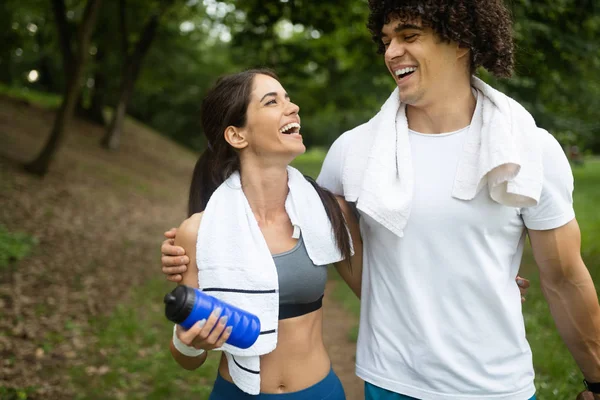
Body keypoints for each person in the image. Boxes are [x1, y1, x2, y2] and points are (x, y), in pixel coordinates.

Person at [161, 1, 600, 399]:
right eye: (387, 40)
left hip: (497, 385)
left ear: (463, 40)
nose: (391, 52)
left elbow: (564, 277)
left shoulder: (529, 149)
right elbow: (317, 234)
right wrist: (190, 249)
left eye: (409, 36)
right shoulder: (354, 153)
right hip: (389, 382)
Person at [165, 68, 364, 400]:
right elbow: (187, 359)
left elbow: (375, 295)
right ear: (237, 135)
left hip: (318, 392)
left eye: (289, 98)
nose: (293, 107)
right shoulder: (197, 233)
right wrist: (190, 343)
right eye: (272, 101)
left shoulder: (330, 213)